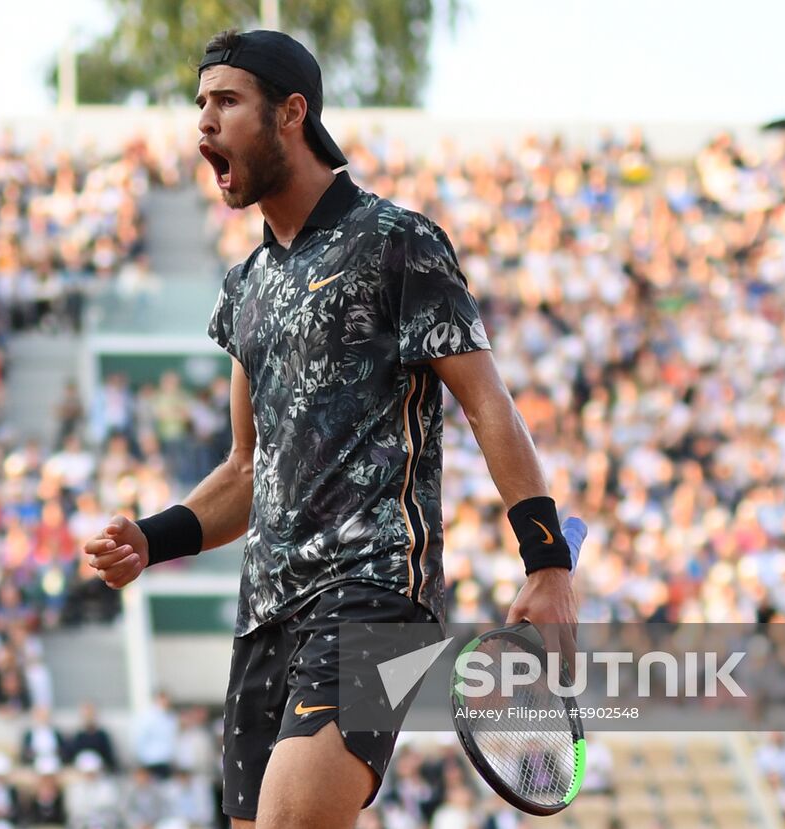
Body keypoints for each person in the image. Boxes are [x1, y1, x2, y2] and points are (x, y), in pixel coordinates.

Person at [84, 28, 584, 829]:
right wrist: (154, 538)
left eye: (226, 102)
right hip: (266, 614)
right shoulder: (245, 285)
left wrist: (548, 561)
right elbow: (249, 472)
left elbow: (488, 403)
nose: (203, 123)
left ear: (291, 113)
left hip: (381, 598)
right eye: (199, 105)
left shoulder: (398, 242)